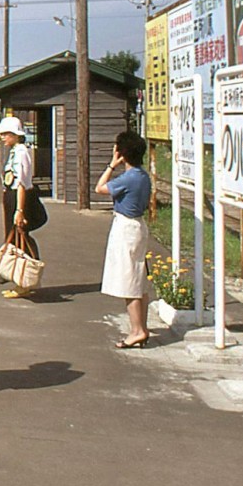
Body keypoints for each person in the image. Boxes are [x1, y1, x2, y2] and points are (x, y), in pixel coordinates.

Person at [95, 131, 153, 349]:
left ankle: (137, 330)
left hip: (126, 227)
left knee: (129, 280)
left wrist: (111, 164)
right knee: (138, 278)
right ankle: (140, 327)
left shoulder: (128, 178)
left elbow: (99, 188)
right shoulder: (143, 175)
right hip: (138, 224)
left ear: (121, 152)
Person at [0, 115, 39, 298]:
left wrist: (19, 210)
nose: (2, 137)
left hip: (18, 199)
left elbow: (21, 183)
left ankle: (25, 281)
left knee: (21, 239)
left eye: (6, 134)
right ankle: (21, 281)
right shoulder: (15, 150)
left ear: (15, 134)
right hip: (12, 198)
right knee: (16, 240)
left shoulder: (21, 152)